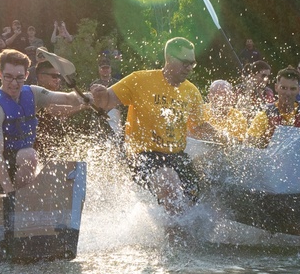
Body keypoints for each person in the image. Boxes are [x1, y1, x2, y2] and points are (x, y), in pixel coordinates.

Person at [89, 37, 221, 213]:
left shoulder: (192, 91)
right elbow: (106, 101)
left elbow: (198, 126)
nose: (189, 68)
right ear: (169, 59)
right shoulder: (139, 80)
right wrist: (99, 95)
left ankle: (180, 234)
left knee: (194, 198)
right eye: (185, 62)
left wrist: (224, 138)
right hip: (143, 155)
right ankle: (172, 239)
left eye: (192, 63)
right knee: (171, 186)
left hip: (176, 156)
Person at [0, 48, 95, 194]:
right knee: (30, 155)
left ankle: (26, 197)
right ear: (0, 74)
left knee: (34, 157)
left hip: (18, 163)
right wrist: (10, 193)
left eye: (19, 77)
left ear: (26, 75)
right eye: (8, 77)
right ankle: (20, 197)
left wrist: (83, 97)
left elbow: (67, 98)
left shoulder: (33, 92)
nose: (14, 83)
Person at [247, 67, 300, 147]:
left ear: (299, 90)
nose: (288, 93)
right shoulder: (266, 114)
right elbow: (249, 144)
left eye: (292, 89)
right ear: (276, 87)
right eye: (283, 88)